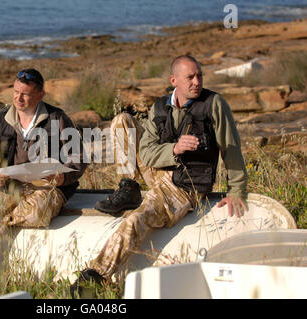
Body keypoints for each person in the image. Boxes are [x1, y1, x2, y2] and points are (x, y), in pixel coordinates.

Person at [70, 55, 248, 297]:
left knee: (134, 221)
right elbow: (146, 152)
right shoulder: (160, 107)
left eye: (199, 76)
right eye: (190, 77)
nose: (197, 82)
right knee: (122, 121)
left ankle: (96, 276)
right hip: (161, 171)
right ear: (174, 80)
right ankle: (129, 187)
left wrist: (236, 190)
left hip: (185, 187)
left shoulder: (214, 104)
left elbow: (231, 147)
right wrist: (174, 149)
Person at [0, 68, 87, 289]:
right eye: (15, 92)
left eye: (25, 94)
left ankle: (1, 226)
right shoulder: (2, 120)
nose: (18, 98)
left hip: (46, 188)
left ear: (41, 94)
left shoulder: (57, 118)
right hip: (9, 187)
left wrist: (62, 177)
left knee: (37, 213)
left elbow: (79, 157)